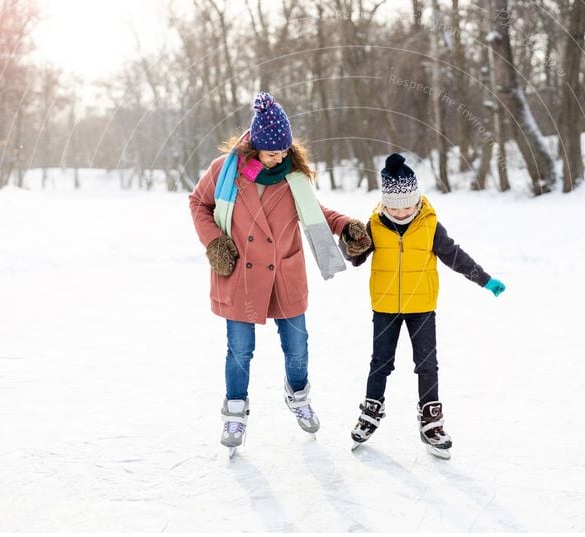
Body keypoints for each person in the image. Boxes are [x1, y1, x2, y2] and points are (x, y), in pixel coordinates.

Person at [189, 92, 371, 453]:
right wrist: (214, 243)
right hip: (240, 272)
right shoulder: (225, 172)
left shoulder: (294, 179)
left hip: (283, 274)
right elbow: (198, 203)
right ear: (255, 146)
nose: (280, 157)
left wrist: (347, 226)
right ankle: (235, 414)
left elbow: (316, 213)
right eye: (273, 152)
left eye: (285, 151)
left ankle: (298, 395)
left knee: (298, 348)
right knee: (239, 351)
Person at [341, 153, 506, 459]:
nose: (401, 212)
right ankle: (370, 411)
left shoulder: (430, 225)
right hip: (385, 306)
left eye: (407, 205)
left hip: (422, 307)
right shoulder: (375, 224)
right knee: (380, 362)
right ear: (383, 203)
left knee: (427, 365)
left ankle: (431, 421)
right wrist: (349, 241)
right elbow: (355, 257)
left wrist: (484, 279)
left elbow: (455, 256)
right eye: (393, 206)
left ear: (417, 200)